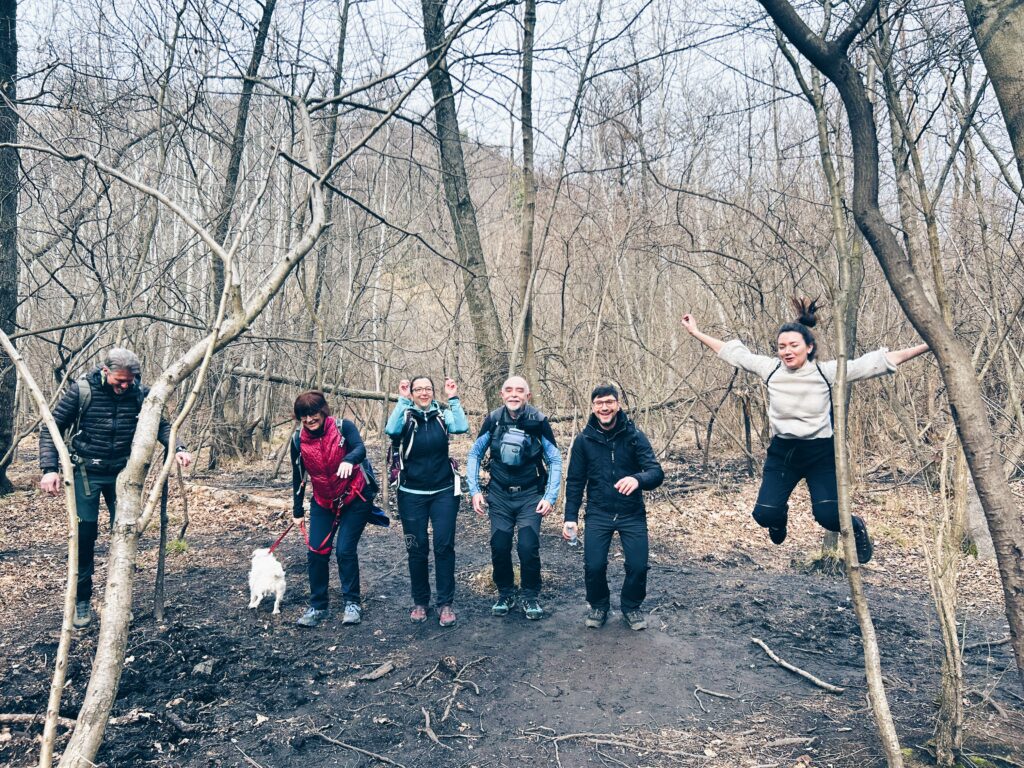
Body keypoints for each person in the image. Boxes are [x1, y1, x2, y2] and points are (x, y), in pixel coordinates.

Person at [681, 300, 929, 563]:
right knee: (764, 514)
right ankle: (779, 519)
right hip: (783, 453)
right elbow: (734, 353)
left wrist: (928, 344)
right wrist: (696, 332)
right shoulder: (770, 369)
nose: (786, 351)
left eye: (793, 346)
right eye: (781, 347)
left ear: (809, 348)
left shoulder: (827, 372)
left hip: (819, 454)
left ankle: (856, 527)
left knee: (829, 517)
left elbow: (877, 362)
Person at [39, 348, 192, 629]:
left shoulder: (142, 394)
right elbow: (51, 428)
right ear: (105, 371)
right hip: (85, 471)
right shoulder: (81, 390)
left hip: (123, 474)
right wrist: (50, 469)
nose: (124, 386)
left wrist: (178, 448)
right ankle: (82, 601)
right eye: (119, 381)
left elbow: (162, 426)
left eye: (129, 381)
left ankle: (118, 600)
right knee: (84, 535)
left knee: (125, 533)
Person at [563, 385, 665, 631]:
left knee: (638, 566)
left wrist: (637, 479)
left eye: (609, 402)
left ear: (618, 405)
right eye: (599, 403)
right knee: (594, 565)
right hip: (599, 512)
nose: (605, 407)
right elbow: (575, 481)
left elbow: (656, 472)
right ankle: (599, 606)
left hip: (632, 513)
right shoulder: (583, 440)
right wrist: (570, 517)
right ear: (593, 407)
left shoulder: (634, 436)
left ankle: (631, 607)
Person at [467, 376, 562, 620]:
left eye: (520, 390)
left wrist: (550, 496)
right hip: (498, 494)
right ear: (502, 394)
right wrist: (475, 490)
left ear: (527, 396)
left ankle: (531, 596)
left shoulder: (539, 421)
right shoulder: (494, 419)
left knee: (527, 547)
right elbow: (475, 454)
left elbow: (554, 459)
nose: (514, 394)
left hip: (530, 495)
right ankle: (505, 593)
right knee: (500, 545)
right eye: (509, 390)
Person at [291, 391, 385, 628]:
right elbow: (297, 476)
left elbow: (360, 449)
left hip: (355, 496)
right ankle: (318, 606)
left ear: (323, 411)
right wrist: (297, 510)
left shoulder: (344, 427)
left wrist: (349, 460)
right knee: (316, 552)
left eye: (313, 413)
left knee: (344, 550)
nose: (310, 419)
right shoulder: (297, 440)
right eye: (304, 415)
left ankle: (352, 603)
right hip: (323, 501)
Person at [385, 375, 469, 626]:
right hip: (412, 493)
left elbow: (461, 427)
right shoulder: (406, 415)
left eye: (428, 389)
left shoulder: (442, 415)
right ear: (412, 392)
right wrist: (401, 400)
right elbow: (391, 430)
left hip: (444, 491)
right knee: (417, 548)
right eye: (418, 389)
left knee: (444, 547)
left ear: (434, 392)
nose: (424, 393)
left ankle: (445, 604)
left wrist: (453, 397)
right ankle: (420, 602)